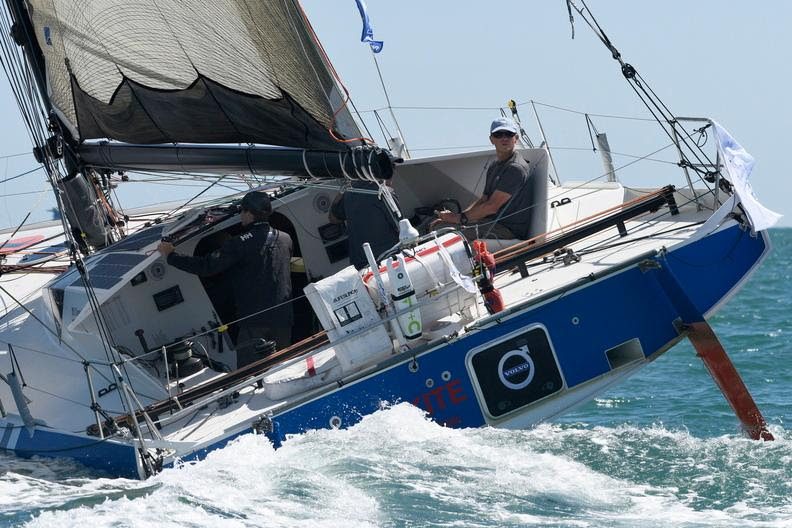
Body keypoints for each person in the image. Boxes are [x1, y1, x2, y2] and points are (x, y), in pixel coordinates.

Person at [157, 191, 293, 363]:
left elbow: (207, 267)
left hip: (254, 323)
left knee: (249, 374)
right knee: (285, 364)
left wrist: (171, 256)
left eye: (241, 211)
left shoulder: (238, 243)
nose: (240, 216)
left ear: (249, 213)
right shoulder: (286, 239)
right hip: (284, 319)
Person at [431, 117, 534, 240]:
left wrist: (458, 218)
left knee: (447, 235)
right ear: (491, 139)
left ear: (516, 138)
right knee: (437, 227)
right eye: (498, 134)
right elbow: (484, 200)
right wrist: (459, 218)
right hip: (490, 223)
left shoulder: (515, 168)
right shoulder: (494, 165)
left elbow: (492, 206)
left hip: (508, 229)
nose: (504, 138)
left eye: (509, 134)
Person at [328, 179, 400, 269]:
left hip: (362, 264)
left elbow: (333, 218)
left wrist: (342, 192)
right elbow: (400, 227)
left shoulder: (348, 195)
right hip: (389, 258)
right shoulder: (385, 192)